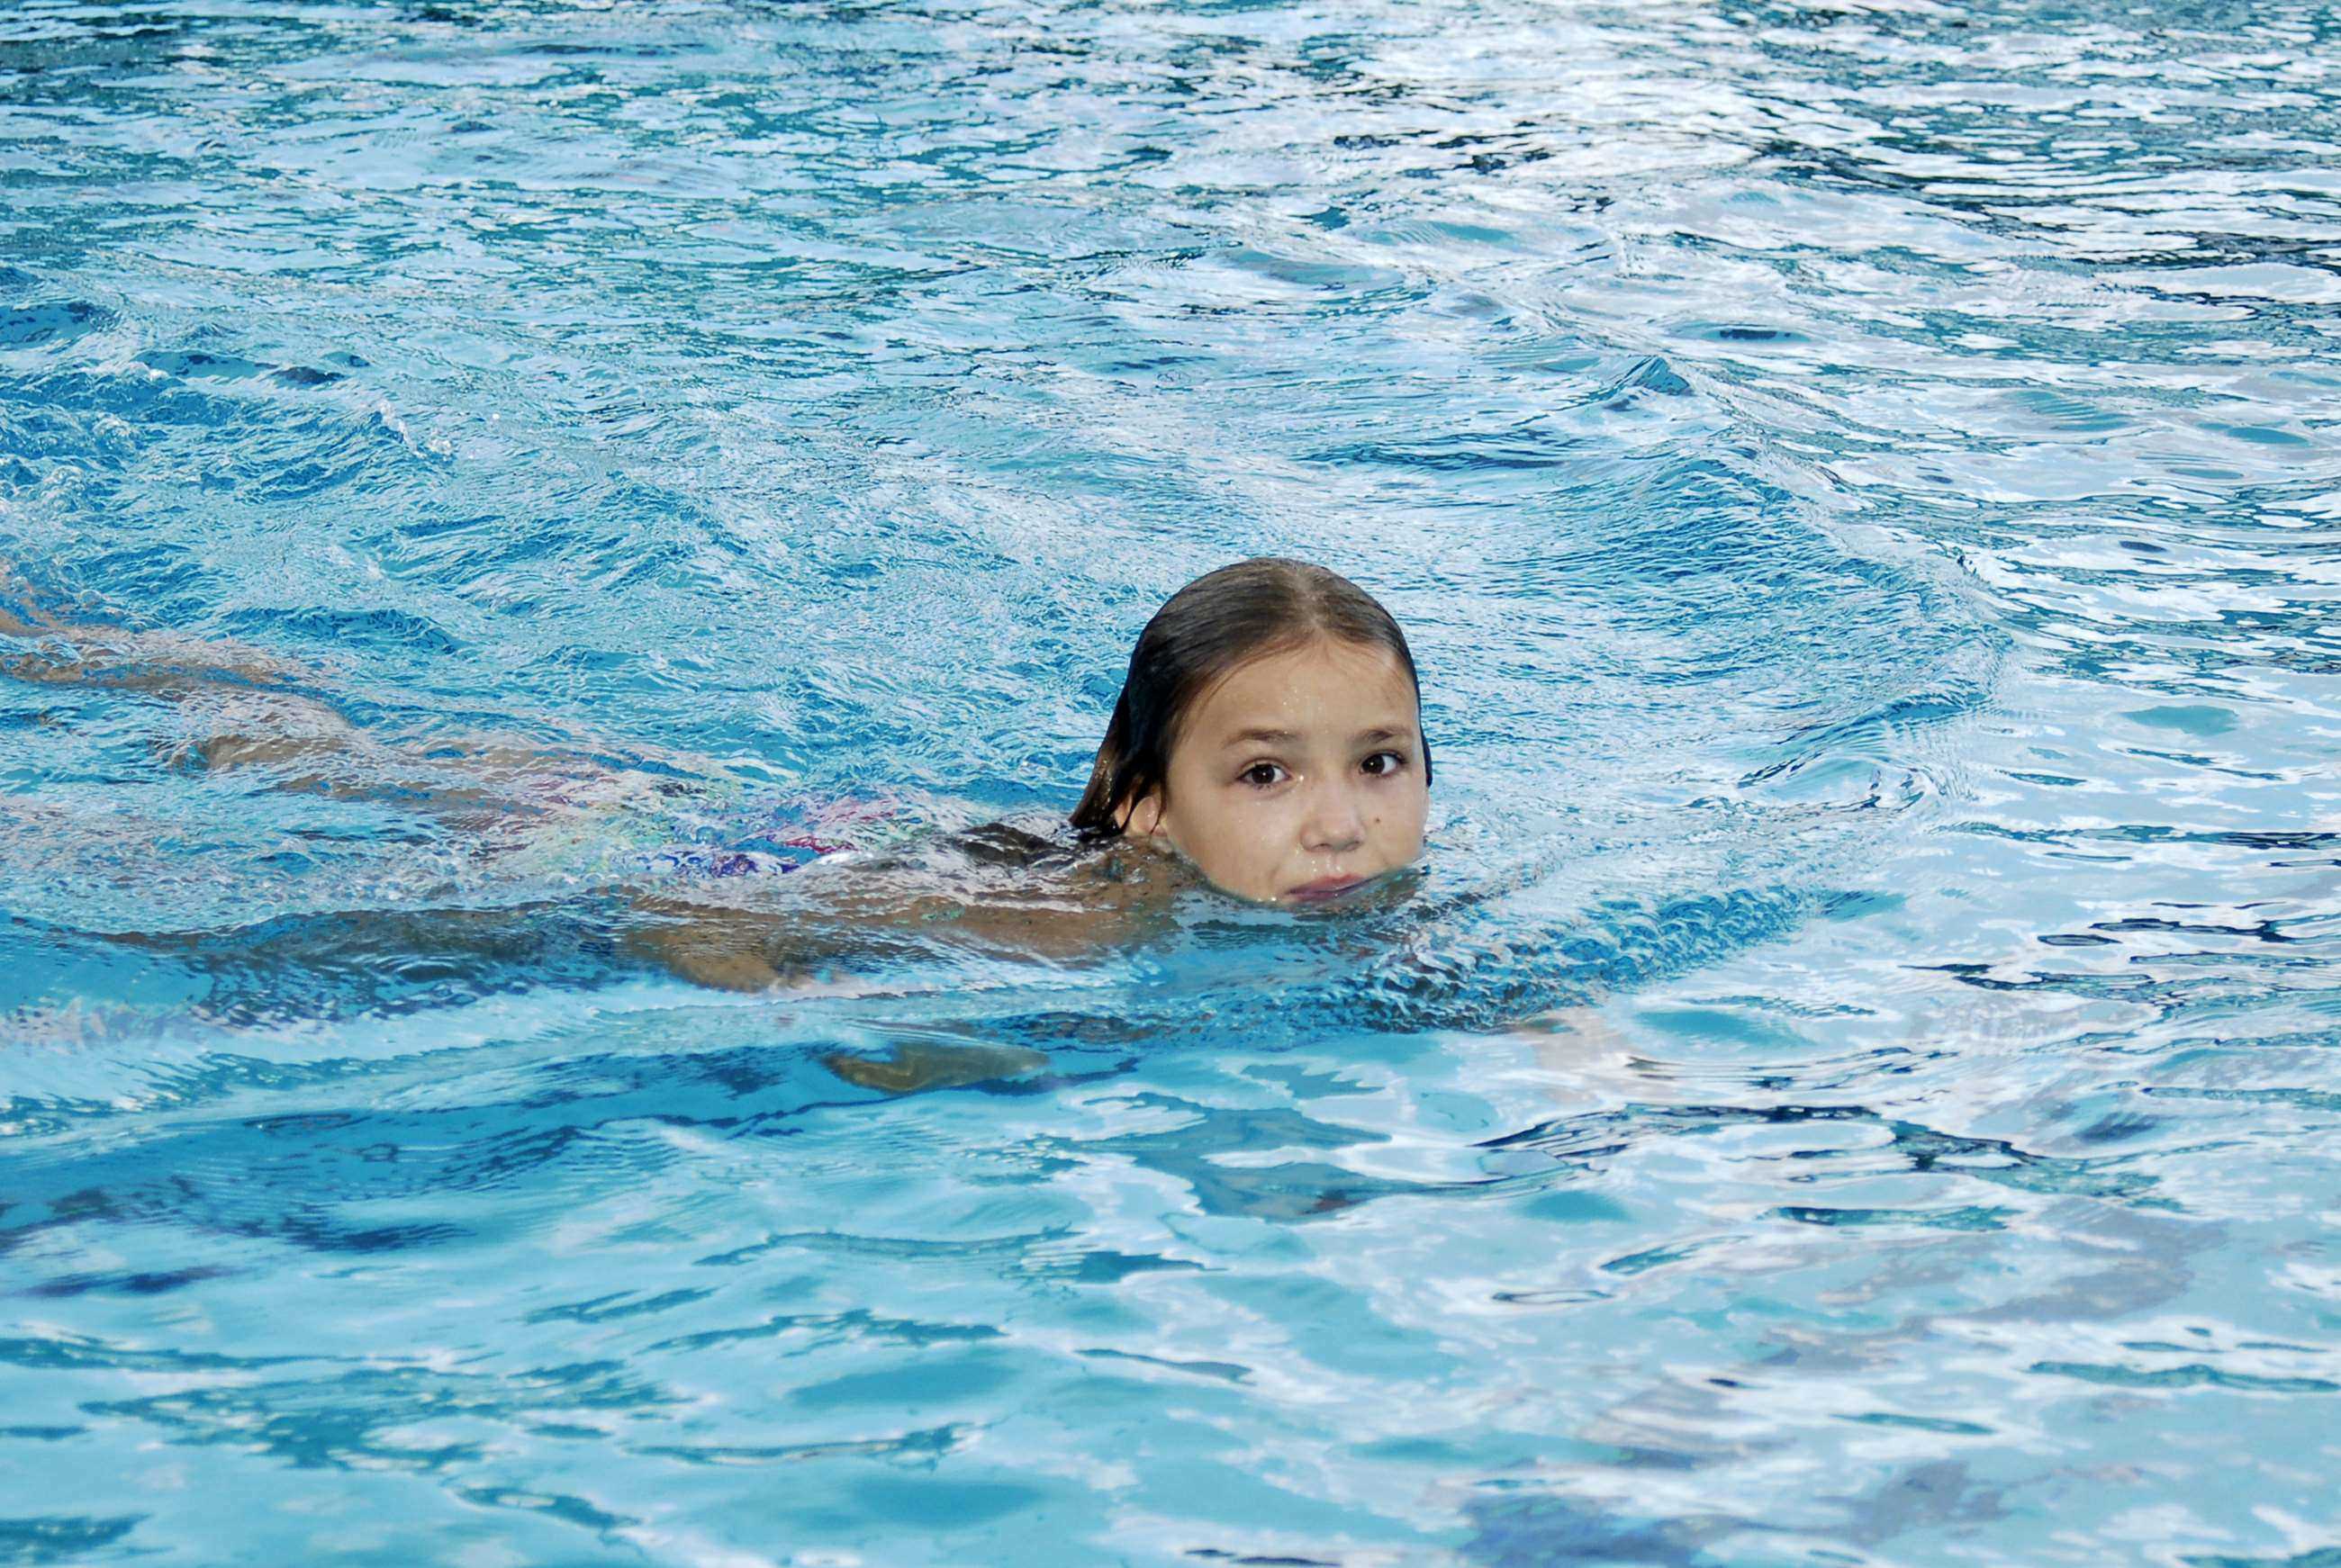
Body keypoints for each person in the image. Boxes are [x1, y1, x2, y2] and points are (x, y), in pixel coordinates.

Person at [2, 556, 1434, 993]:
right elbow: (707, 932)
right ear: (1141, 801)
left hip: (781, 821)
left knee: (333, 745)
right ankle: (52, 677)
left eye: (1382, 762)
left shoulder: (1381, 894)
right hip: (661, 853)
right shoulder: (1077, 921)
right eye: (1263, 775)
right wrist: (855, 1036)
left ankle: (62, 642)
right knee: (282, 808)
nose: (1340, 823)